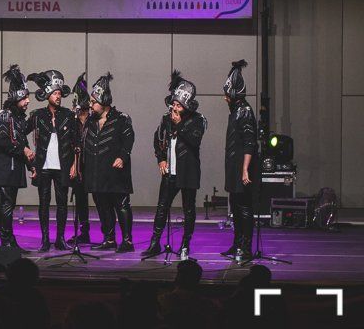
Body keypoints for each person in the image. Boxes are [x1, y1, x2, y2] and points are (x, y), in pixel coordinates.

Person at [142, 71, 207, 260]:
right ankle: (155, 243)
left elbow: (195, 141)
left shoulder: (197, 120)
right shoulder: (166, 118)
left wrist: (180, 125)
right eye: (174, 104)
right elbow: (157, 139)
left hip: (188, 172)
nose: (175, 108)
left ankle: (186, 245)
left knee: (188, 209)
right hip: (170, 172)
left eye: (179, 105)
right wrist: (160, 158)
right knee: (162, 206)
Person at [26, 70, 79, 252]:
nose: (58, 96)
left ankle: (60, 239)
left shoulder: (68, 115)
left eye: (59, 93)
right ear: (47, 95)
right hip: (44, 166)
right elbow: (21, 132)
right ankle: (45, 239)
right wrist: (27, 155)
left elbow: (77, 142)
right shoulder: (37, 115)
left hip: (63, 165)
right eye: (55, 93)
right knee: (44, 203)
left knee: (62, 203)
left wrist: (74, 165)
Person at [83, 73, 135, 253]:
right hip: (97, 173)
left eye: (93, 102)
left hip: (115, 173)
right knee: (102, 207)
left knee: (121, 206)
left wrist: (122, 157)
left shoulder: (121, 118)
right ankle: (109, 238)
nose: (91, 105)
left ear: (103, 102)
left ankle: (127, 240)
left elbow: (129, 139)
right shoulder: (90, 121)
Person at [0, 65, 33, 249]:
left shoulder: (19, 118)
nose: (28, 101)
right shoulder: (4, 115)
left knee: (8, 206)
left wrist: (31, 165)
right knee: (6, 206)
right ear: (16, 98)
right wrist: (23, 151)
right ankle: (7, 242)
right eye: (25, 98)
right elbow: (2, 140)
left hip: (12, 169)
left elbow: (21, 142)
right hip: (4, 169)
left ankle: (9, 240)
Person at [221, 60, 258, 262]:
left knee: (244, 208)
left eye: (227, 94)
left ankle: (245, 247)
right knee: (235, 207)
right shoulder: (235, 110)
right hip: (233, 167)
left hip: (241, 168)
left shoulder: (244, 111)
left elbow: (249, 143)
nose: (224, 98)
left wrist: (245, 170)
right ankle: (236, 243)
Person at [70, 72, 91, 245]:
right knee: (80, 200)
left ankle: (110, 234)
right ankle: (83, 231)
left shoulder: (94, 120)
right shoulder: (72, 120)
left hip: (93, 164)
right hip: (77, 165)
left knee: (101, 199)